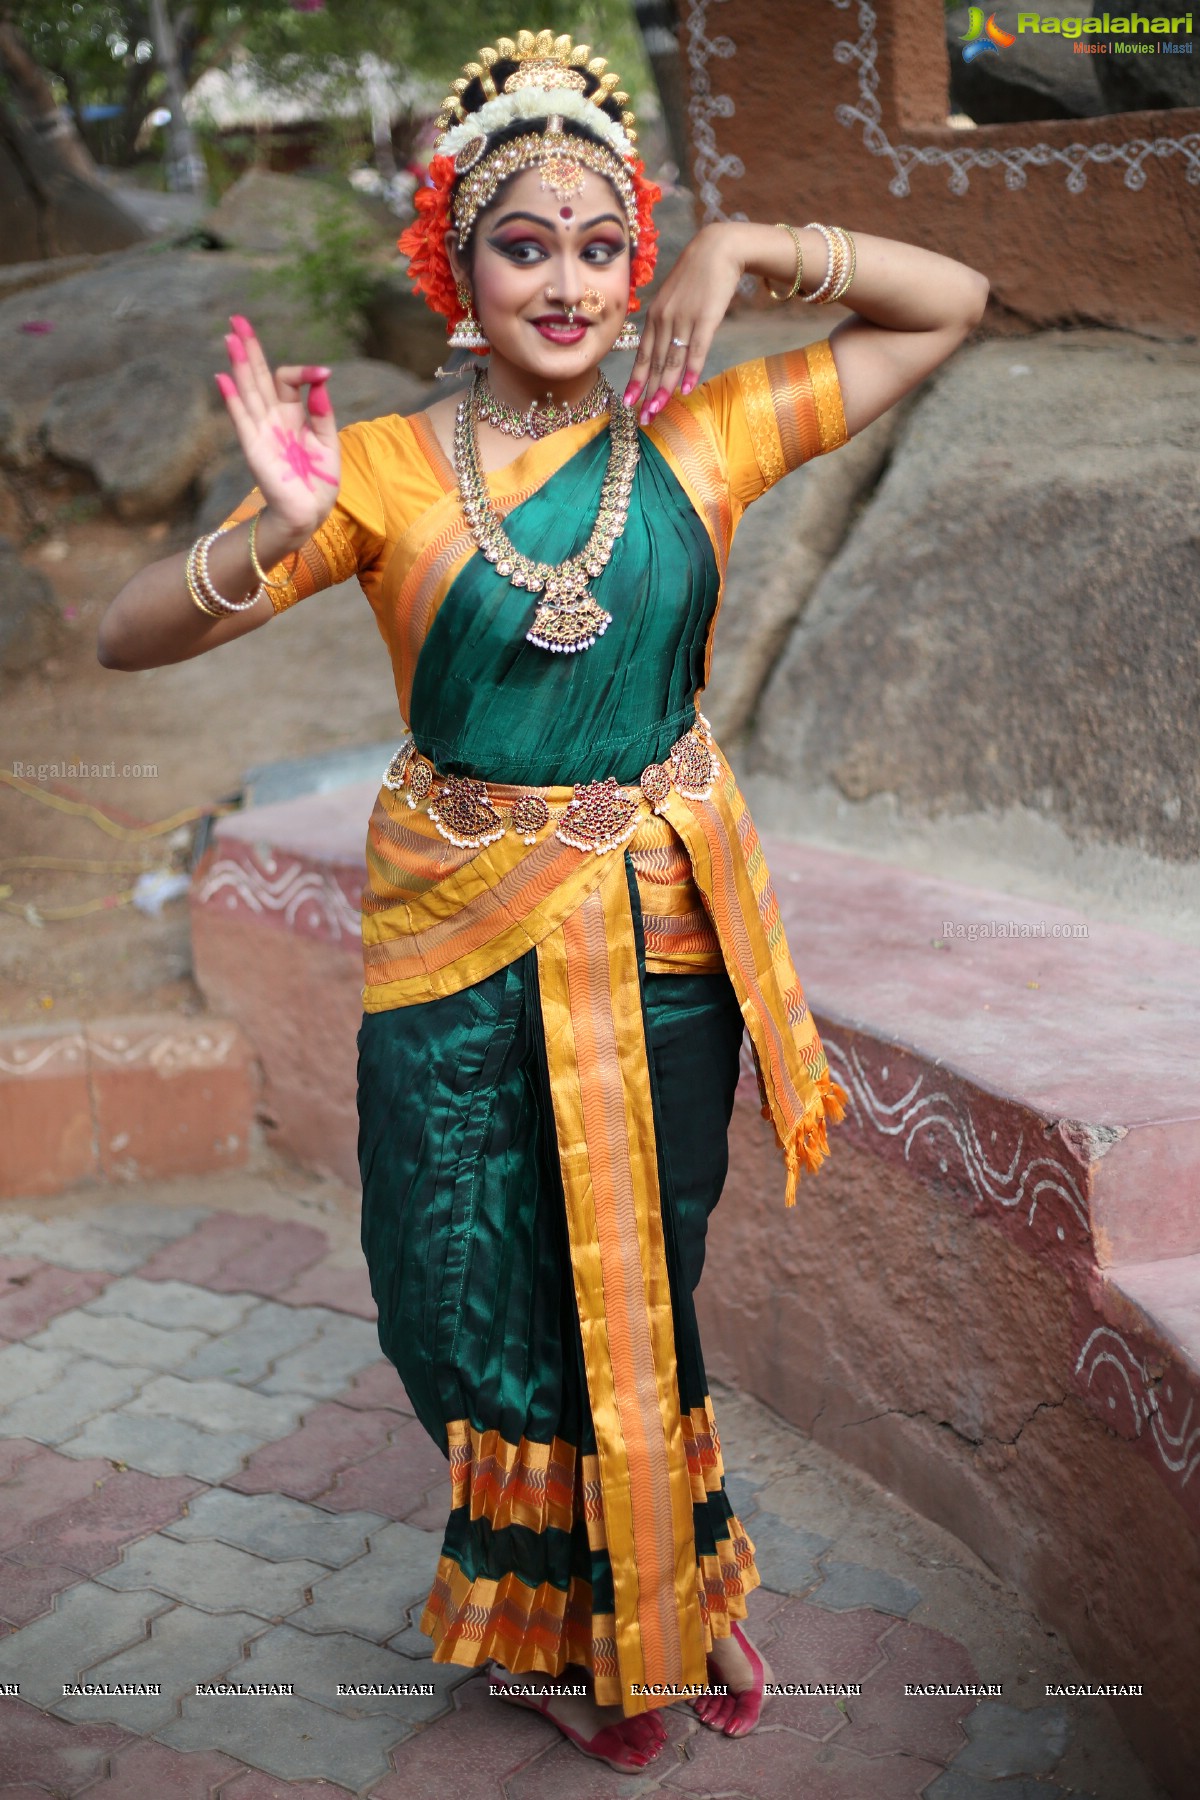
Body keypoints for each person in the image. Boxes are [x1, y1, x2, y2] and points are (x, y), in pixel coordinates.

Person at [97, 26, 989, 1776]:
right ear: (458, 260)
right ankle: (546, 1587)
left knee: (630, 1284)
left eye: (604, 244)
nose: (568, 283)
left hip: (655, 933)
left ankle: (655, 1601)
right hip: (452, 931)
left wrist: (747, 248)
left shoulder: (706, 437)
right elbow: (128, 634)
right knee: (447, 1290)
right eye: (526, 243)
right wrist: (262, 538)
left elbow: (946, 299)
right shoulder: (379, 473)